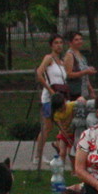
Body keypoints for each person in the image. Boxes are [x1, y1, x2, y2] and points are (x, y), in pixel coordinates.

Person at [33, 33, 68, 169]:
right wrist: (50, 89)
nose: (59, 45)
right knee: (47, 127)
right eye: (56, 43)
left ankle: (61, 150)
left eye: (61, 42)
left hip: (60, 97)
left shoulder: (62, 62)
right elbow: (39, 73)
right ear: (51, 45)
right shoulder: (49, 59)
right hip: (49, 97)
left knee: (62, 125)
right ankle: (38, 156)